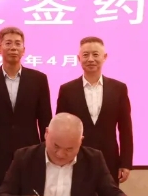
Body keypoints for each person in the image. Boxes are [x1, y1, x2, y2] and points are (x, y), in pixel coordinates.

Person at [0, 113, 134, 196]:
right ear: (46, 133)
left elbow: (111, 192)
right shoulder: (24, 157)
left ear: (81, 141)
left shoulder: (93, 159)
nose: (61, 154)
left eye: (69, 149)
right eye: (56, 146)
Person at [0, 27, 52, 196]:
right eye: (8, 43)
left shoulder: (39, 79)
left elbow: (46, 121)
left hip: (30, 155)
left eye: (18, 44)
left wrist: (47, 154)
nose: (13, 47)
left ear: (24, 50)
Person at [56, 36, 133, 185]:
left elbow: (125, 128)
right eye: (85, 55)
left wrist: (125, 162)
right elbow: (60, 128)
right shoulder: (67, 90)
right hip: (75, 158)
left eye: (95, 54)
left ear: (105, 57)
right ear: (79, 58)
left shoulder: (119, 89)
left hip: (109, 158)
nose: (90, 59)